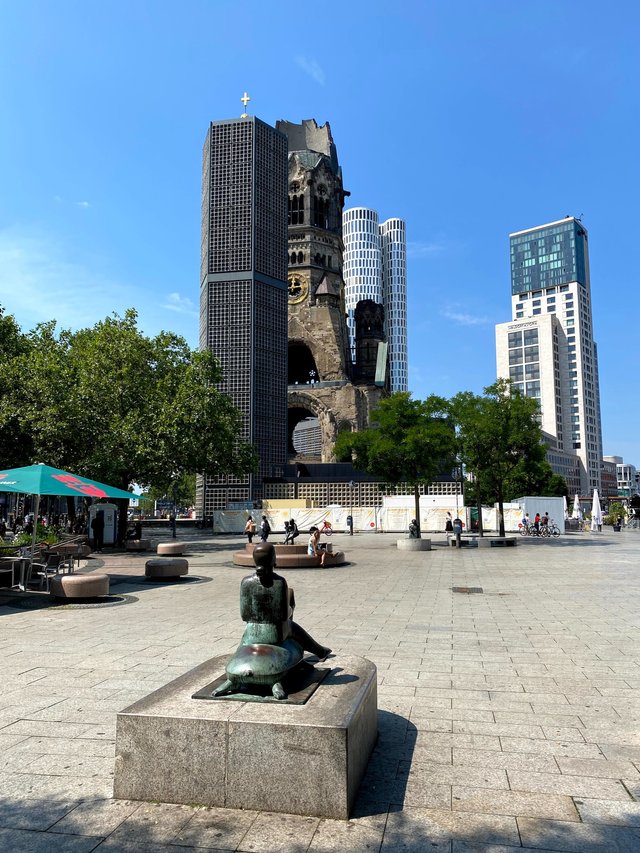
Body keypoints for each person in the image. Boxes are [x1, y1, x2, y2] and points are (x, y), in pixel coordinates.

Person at [212, 542, 331, 699]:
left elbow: (244, 615)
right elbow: (282, 616)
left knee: (254, 635)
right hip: (275, 634)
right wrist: (291, 608)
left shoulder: (246, 583)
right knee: (291, 625)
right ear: (274, 560)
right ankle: (319, 650)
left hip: (251, 634)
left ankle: (316, 652)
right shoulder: (279, 583)